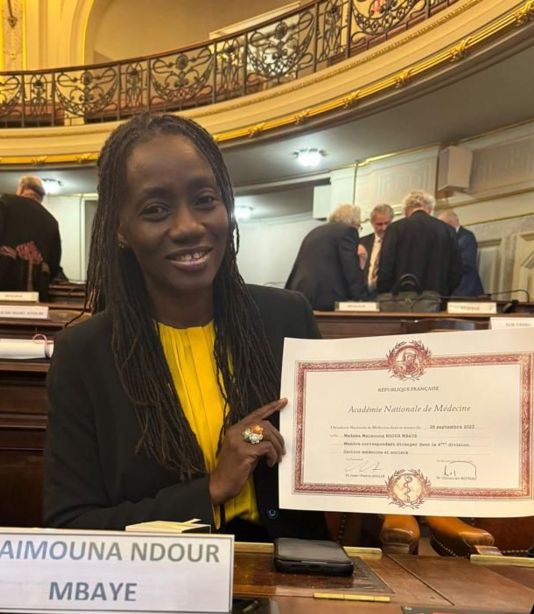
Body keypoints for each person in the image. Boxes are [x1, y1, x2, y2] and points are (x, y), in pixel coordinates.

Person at [43, 113, 328, 541]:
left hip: (285, 574)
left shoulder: (287, 318)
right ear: (121, 228)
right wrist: (211, 490)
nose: (189, 226)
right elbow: (70, 525)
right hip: (158, 584)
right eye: (156, 209)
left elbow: (334, 459)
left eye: (205, 200)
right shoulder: (85, 353)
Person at [0, 174, 62, 302]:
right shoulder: (51, 221)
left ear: (20, 190)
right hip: (36, 291)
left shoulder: (7, 202)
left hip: (2, 285)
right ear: (41, 197)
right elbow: (54, 264)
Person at [377, 190, 462, 297]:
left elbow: (385, 269)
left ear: (406, 210)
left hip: (400, 300)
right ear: (430, 208)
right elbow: (456, 271)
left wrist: (388, 293)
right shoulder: (447, 230)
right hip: (435, 299)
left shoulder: (395, 229)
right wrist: (443, 292)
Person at [285, 204, 368, 310]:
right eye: (359, 226)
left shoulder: (315, 232)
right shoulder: (347, 231)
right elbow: (351, 268)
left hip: (300, 293)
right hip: (326, 296)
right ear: (353, 222)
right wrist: (363, 300)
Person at [438, 209, 485, 296]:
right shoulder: (446, 238)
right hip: (451, 290)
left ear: (450, 223)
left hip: (466, 290)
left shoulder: (466, 237)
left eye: (441, 225)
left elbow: (466, 264)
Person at [359, 203, 394, 296]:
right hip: (364, 295)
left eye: (387, 223)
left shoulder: (398, 243)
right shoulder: (362, 242)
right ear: (372, 223)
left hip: (387, 297)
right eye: (379, 224)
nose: (384, 228)